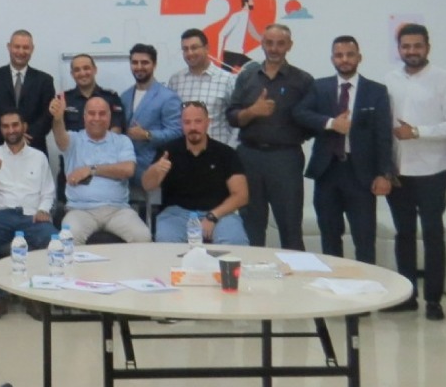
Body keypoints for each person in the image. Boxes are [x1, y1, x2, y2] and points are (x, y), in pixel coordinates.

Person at [383, 24, 446, 319]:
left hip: (433, 170)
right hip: (398, 171)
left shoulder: (445, 79)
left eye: (417, 46)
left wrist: (418, 132)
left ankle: (433, 300)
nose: (412, 51)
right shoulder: (389, 80)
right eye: (406, 46)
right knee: (403, 234)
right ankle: (407, 296)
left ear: (427, 47)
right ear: (399, 49)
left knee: (432, 234)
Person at [294, 36, 394, 263]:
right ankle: (334, 282)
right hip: (327, 171)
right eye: (339, 55)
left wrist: (384, 173)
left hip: (362, 174)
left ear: (359, 57)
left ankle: (367, 283)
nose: (345, 59)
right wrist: (331, 123)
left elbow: (383, 135)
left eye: (350, 54)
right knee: (329, 236)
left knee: (364, 237)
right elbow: (300, 113)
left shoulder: (376, 91)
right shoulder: (319, 87)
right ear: (332, 59)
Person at [226, 23, 314, 250]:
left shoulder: (303, 80)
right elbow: (232, 116)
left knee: (290, 225)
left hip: (285, 159)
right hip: (249, 157)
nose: (274, 49)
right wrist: (252, 112)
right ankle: (251, 272)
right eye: (269, 43)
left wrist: (285, 133)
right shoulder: (247, 76)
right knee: (251, 225)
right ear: (262, 44)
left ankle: (295, 272)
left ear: (290, 45)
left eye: (280, 43)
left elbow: (311, 123)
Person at [0, 111, 57, 320]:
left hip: (31, 216)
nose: (11, 130)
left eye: (15, 125)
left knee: (53, 240)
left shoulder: (38, 157)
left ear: (24, 127)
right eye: (6, 126)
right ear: (1, 130)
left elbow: (48, 191)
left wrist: (43, 209)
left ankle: (36, 296)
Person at [143, 101, 250, 245]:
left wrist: (213, 216)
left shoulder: (226, 153)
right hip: (176, 214)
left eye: (198, 121)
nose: (193, 127)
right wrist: (156, 170)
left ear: (208, 122)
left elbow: (241, 195)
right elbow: (147, 185)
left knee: (235, 241)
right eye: (187, 122)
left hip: (219, 213)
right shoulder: (167, 152)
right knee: (166, 242)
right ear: (181, 125)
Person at [58, 96, 150, 245]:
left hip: (118, 210)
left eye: (102, 114)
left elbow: (128, 170)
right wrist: (57, 118)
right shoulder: (73, 139)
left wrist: (92, 169)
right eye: (92, 113)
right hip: (80, 210)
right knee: (68, 236)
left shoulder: (122, 141)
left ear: (109, 117)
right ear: (84, 116)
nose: (97, 118)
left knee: (143, 236)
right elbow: (59, 137)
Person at [0, 29, 55, 151]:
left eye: (26, 47)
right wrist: (9, 133)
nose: (21, 51)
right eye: (17, 47)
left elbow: (48, 114)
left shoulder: (45, 80)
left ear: (32, 49)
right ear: (9, 47)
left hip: (33, 146)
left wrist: (23, 136)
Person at [120, 44, 182, 182]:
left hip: (153, 168)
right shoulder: (124, 96)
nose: (139, 67)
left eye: (144, 62)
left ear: (154, 64)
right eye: (135, 62)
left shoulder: (168, 97)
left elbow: (177, 132)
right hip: (126, 168)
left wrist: (147, 135)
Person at [167, 28, 238, 145]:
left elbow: (237, 121)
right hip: (185, 152)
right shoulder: (175, 81)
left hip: (218, 151)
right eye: (185, 49)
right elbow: (173, 121)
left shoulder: (227, 80)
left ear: (206, 48)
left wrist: (230, 149)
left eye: (194, 48)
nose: (190, 53)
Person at [53, 54, 126, 140]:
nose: (82, 73)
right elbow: (59, 132)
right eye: (77, 70)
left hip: (105, 147)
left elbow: (116, 129)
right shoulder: (63, 99)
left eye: (86, 68)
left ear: (95, 70)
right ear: (72, 74)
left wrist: (99, 146)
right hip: (73, 147)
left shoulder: (111, 97)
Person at [218, 0, 256, 70]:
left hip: (239, 53)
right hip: (231, 52)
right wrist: (218, 56)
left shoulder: (247, 17)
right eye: (251, 1)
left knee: (255, 68)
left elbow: (254, 33)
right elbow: (222, 34)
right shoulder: (237, 16)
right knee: (225, 75)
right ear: (246, 3)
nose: (253, 3)